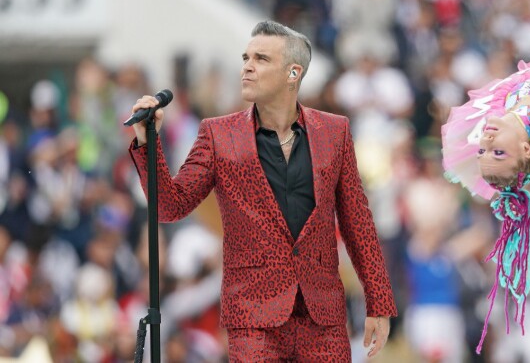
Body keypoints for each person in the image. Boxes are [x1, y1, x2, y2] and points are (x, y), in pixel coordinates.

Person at [128, 20, 397, 361]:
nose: (247, 67)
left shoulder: (335, 132)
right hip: (253, 319)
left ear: (293, 73)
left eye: (261, 59)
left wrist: (379, 301)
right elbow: (170, 206)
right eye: (246, 58)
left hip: (322, 317)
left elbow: (358, 223)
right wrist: (146, 143)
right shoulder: (218, 134)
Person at [441, 0, 530, 353]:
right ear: (524, 151)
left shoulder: (513, 118)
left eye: (485, 151)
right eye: (496, 152)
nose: (485, 141)